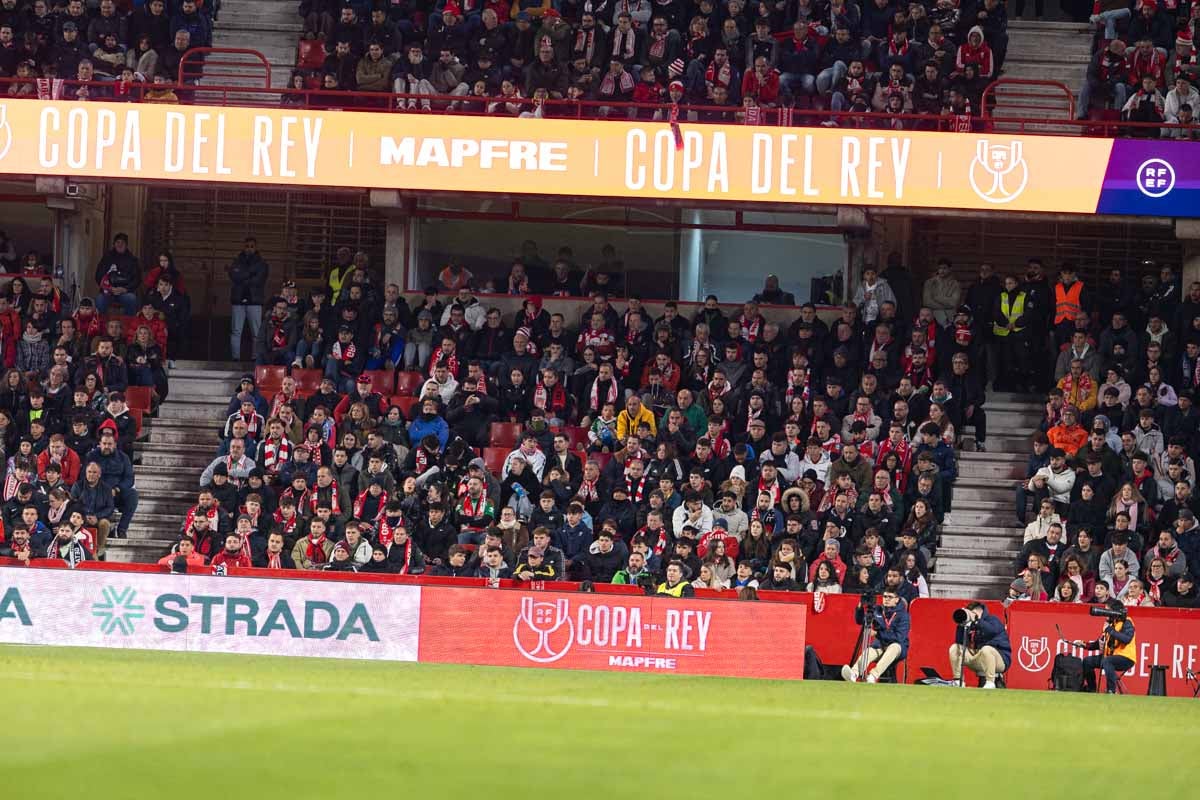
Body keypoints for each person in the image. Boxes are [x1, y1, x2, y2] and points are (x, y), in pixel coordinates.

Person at [841, 588, 909, 684]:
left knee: (894, 647)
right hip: (880, 645)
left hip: (897, 647)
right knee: (869, 651)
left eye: (890, 597)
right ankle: (854, 674)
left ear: (897, 599)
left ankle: (873, 676)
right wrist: (860, 606)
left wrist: (878, 634)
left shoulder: (903, 615)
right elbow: (860, 621)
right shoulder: (878, 610)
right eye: (885, 596)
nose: (887, 599)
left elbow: (899, 637)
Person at [1073, 599, 1137, 694]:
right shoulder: (1110, 624)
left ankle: (1111, 690)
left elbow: (1126, 639)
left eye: (1107, 611)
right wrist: (1084, 644)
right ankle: (1091, 689)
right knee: (1087, 661)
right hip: (1109, 656)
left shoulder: (1127, 622)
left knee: (1107, 661)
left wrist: (1110, 630)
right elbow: (1099, 643)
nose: (1105, 613)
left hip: (1126, 658)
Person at [948, 602, 1011, 688]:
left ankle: (990, 682)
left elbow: (991, 631)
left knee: (986, 649)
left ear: (980, 611)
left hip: (1000, 660)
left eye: (973, 613)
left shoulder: (993, 620)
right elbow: (960, 642)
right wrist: (962, 625)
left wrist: (977, 621)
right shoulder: (971, 625)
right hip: (979, 657)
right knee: (955, 648)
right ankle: (958, 681)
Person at [227, 237, 269, 360]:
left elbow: (259, 280)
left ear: (256, 248)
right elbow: (233, 275)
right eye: (247, 246)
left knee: (256, 333)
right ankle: (235, 358)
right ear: (243, 247)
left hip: (254, 302)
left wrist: (242, 275)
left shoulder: (262, 263)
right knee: (236, 331)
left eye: (252, 246)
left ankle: (255, 357)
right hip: (238, 301)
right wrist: (250, 273)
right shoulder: (236, 261)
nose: (249, 248)